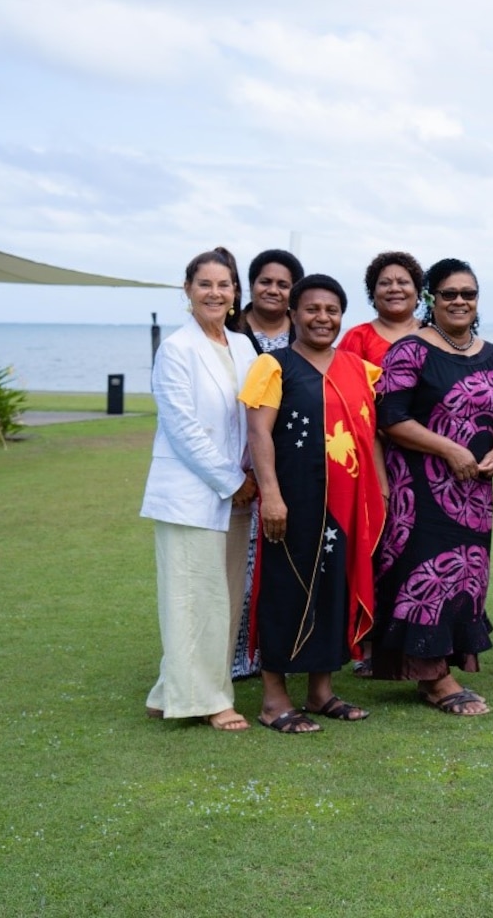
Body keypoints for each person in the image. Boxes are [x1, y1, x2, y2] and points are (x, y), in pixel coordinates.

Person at [368, 259, 493, 717]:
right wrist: (449, 449)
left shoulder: (490, 352)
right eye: (449, 293)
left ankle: (434, 666)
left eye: (467, 294)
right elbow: (391, 418)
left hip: (474, 492)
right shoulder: (410, 350)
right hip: (421, 490)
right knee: (423, 575)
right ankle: (435, 680)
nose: (459, 301)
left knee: (466, 575)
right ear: (432, 298)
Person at [241, 274, 388, 734]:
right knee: (285, 590)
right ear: (293, 314)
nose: (322, 318)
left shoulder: (358, 368)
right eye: (311, 309)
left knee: (333, 591)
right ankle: (273, 699)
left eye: (331, 310)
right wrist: (272, 497)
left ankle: (321, 692)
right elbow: (259, 431)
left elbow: (371, 437)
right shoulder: (273, 366)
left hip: (346, 503)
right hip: (294, 500)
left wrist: (380, 489)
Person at [140, 247, 259, 732]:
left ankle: (171, 689)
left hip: (238, 494)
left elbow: (253, 417)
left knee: (225, 596)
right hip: (193, 493)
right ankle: (209, 700)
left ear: (235, 294)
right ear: (187, 290)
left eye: (224, 285)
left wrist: (255, 479)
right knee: (193, 598)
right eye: (205, 284)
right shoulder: (176, 348)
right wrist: (233, 482)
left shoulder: (244, 347)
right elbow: (183, 427)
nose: (215, 292)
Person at [230, 247, 303, 680]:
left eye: (283, 283)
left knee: (285, 561)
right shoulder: (231, 335)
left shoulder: (308, 332)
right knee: (240, 564)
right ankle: (239, 656)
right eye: (265, 281)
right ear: (250, 286)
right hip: (239, 467)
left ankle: (280, 651)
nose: (273, 290)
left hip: (293, 465)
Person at [338, 251, 424, 367]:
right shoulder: (357, 337)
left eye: (403, 282)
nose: (394, 288)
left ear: (417, 291)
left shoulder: (436, 334)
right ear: (372, 293)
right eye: (385, 283)